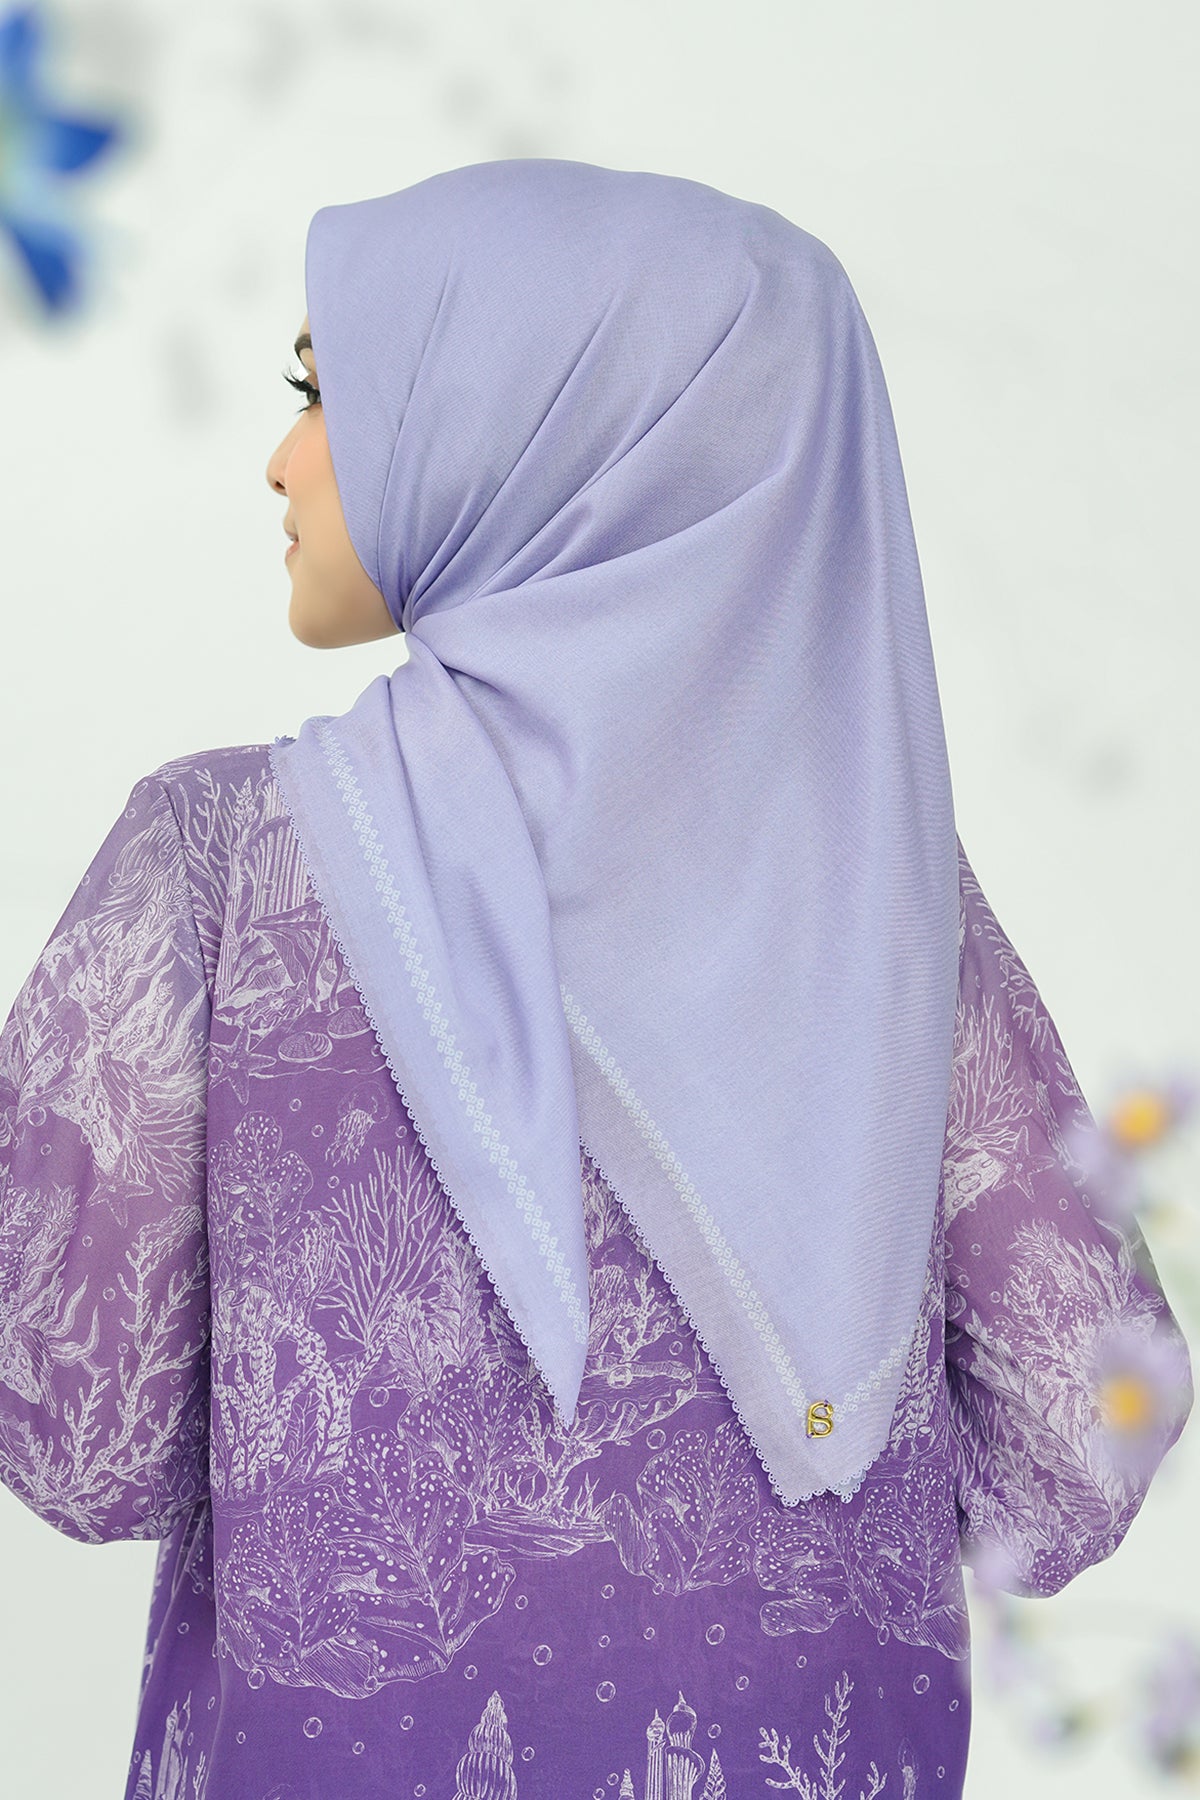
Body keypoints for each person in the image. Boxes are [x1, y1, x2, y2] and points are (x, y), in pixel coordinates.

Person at [0, 159, 1191, 1800]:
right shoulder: (882, 905)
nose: (282, 458)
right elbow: (1085, 1434)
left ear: (532, 432)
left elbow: (74, 1435)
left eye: (325, 393)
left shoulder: (218, 872)